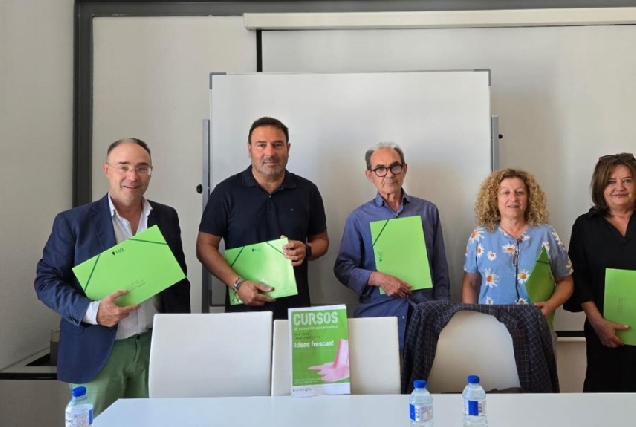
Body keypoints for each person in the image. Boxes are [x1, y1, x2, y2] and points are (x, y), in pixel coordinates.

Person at [34, 138, 191, 415]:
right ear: (107, 170)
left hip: (156, 350)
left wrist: (182, 339)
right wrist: (92, 311)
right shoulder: (73, 222)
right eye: (124, 167)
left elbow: (178, 282)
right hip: (98, 352)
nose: (133, 176)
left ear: (151, 172)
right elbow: (46, 281)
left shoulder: (166, 217)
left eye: (142, 168)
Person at [196, 117, 329, 319]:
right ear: (249, 149)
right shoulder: (226, 192)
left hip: (296, 312)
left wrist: (307, 249)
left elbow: (322, 241)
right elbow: (204, 246)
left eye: (277, 145)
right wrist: (237, 284)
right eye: (261, 145)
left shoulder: (307, 191)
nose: (270, 153)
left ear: (288, 148)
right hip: (242, 312)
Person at [334, 142, 450, 350]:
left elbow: (439, 267)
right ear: (369, 175)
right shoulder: (359, 218)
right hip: (378, 315)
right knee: (381, 382)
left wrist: (441, 311)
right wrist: (378, 278)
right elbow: (343, 268)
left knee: (423, 382)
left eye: (395, 167)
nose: (389, 174)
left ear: (404, 170)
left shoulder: (427, 211)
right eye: (380, 169)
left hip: (423, 315)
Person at [462, 169, 573, 319]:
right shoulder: (480, 236)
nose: (513, 198)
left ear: (529, 198)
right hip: (490, 325)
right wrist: (472, 317)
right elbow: (470, 283)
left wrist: (550, 305)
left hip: (535, 323)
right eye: (505, 192)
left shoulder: (546, 234)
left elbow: (566, 281)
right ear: (495, 199)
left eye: (519, 192)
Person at [566, 153, 636, 392]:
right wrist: (598, 323)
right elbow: (580, 278)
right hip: (603, 331)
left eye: (627, 180)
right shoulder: (585, 226)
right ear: (600, 186)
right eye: (611, 181)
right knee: (604, 400)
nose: (619, 187)